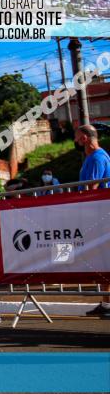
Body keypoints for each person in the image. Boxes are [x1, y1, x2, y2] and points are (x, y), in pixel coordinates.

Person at [76, 124, 110, 317]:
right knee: (101, 261)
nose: (75, 141)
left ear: (85, 139)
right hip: (97, 214)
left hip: (100, 214)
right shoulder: (94, 157)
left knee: (105, 260)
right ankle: (106, 304)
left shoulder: (97, 158)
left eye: (77, 137)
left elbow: (91, 189)